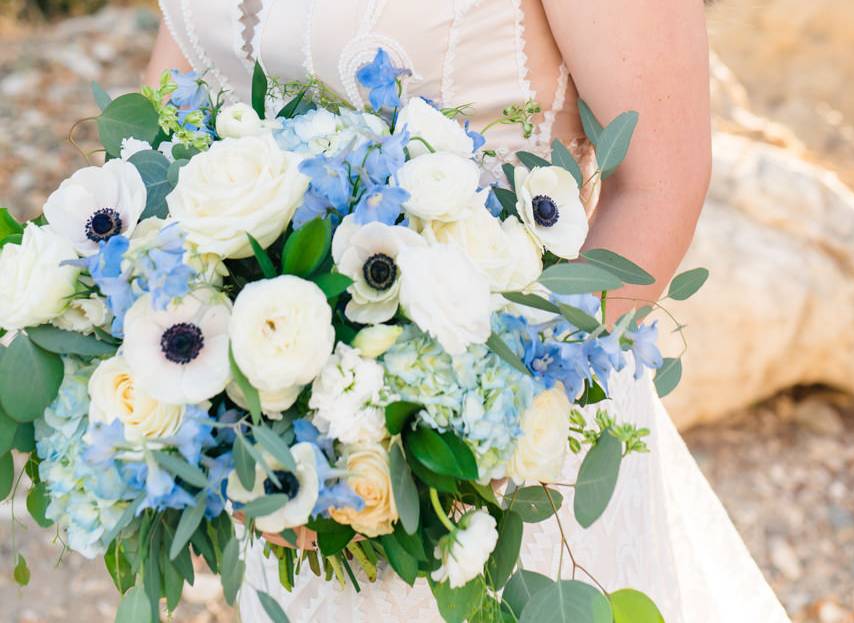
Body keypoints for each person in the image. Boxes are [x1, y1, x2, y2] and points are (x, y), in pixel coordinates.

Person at [146, 1, 791, 621]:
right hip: (277, 429)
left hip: (491, 459)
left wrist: (483, 429)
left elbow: (662, 179)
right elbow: (169, 121)